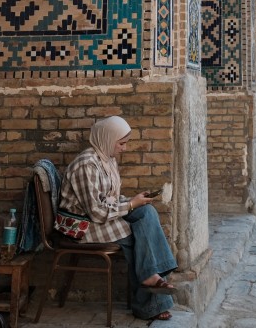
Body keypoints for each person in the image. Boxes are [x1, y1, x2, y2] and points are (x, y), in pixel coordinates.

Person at [60, 116, 177, 322]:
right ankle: (149, 302)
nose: (124, 148)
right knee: (137, 236)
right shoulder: (86, 164)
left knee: (147, 213)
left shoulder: (107, 160)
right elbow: (96, 211)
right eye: (121, 143)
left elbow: (110, 199)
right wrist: (131, 205)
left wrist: (134, 201)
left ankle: (151, 278)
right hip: (80, 224)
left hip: (98, 217)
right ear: (107, 139)